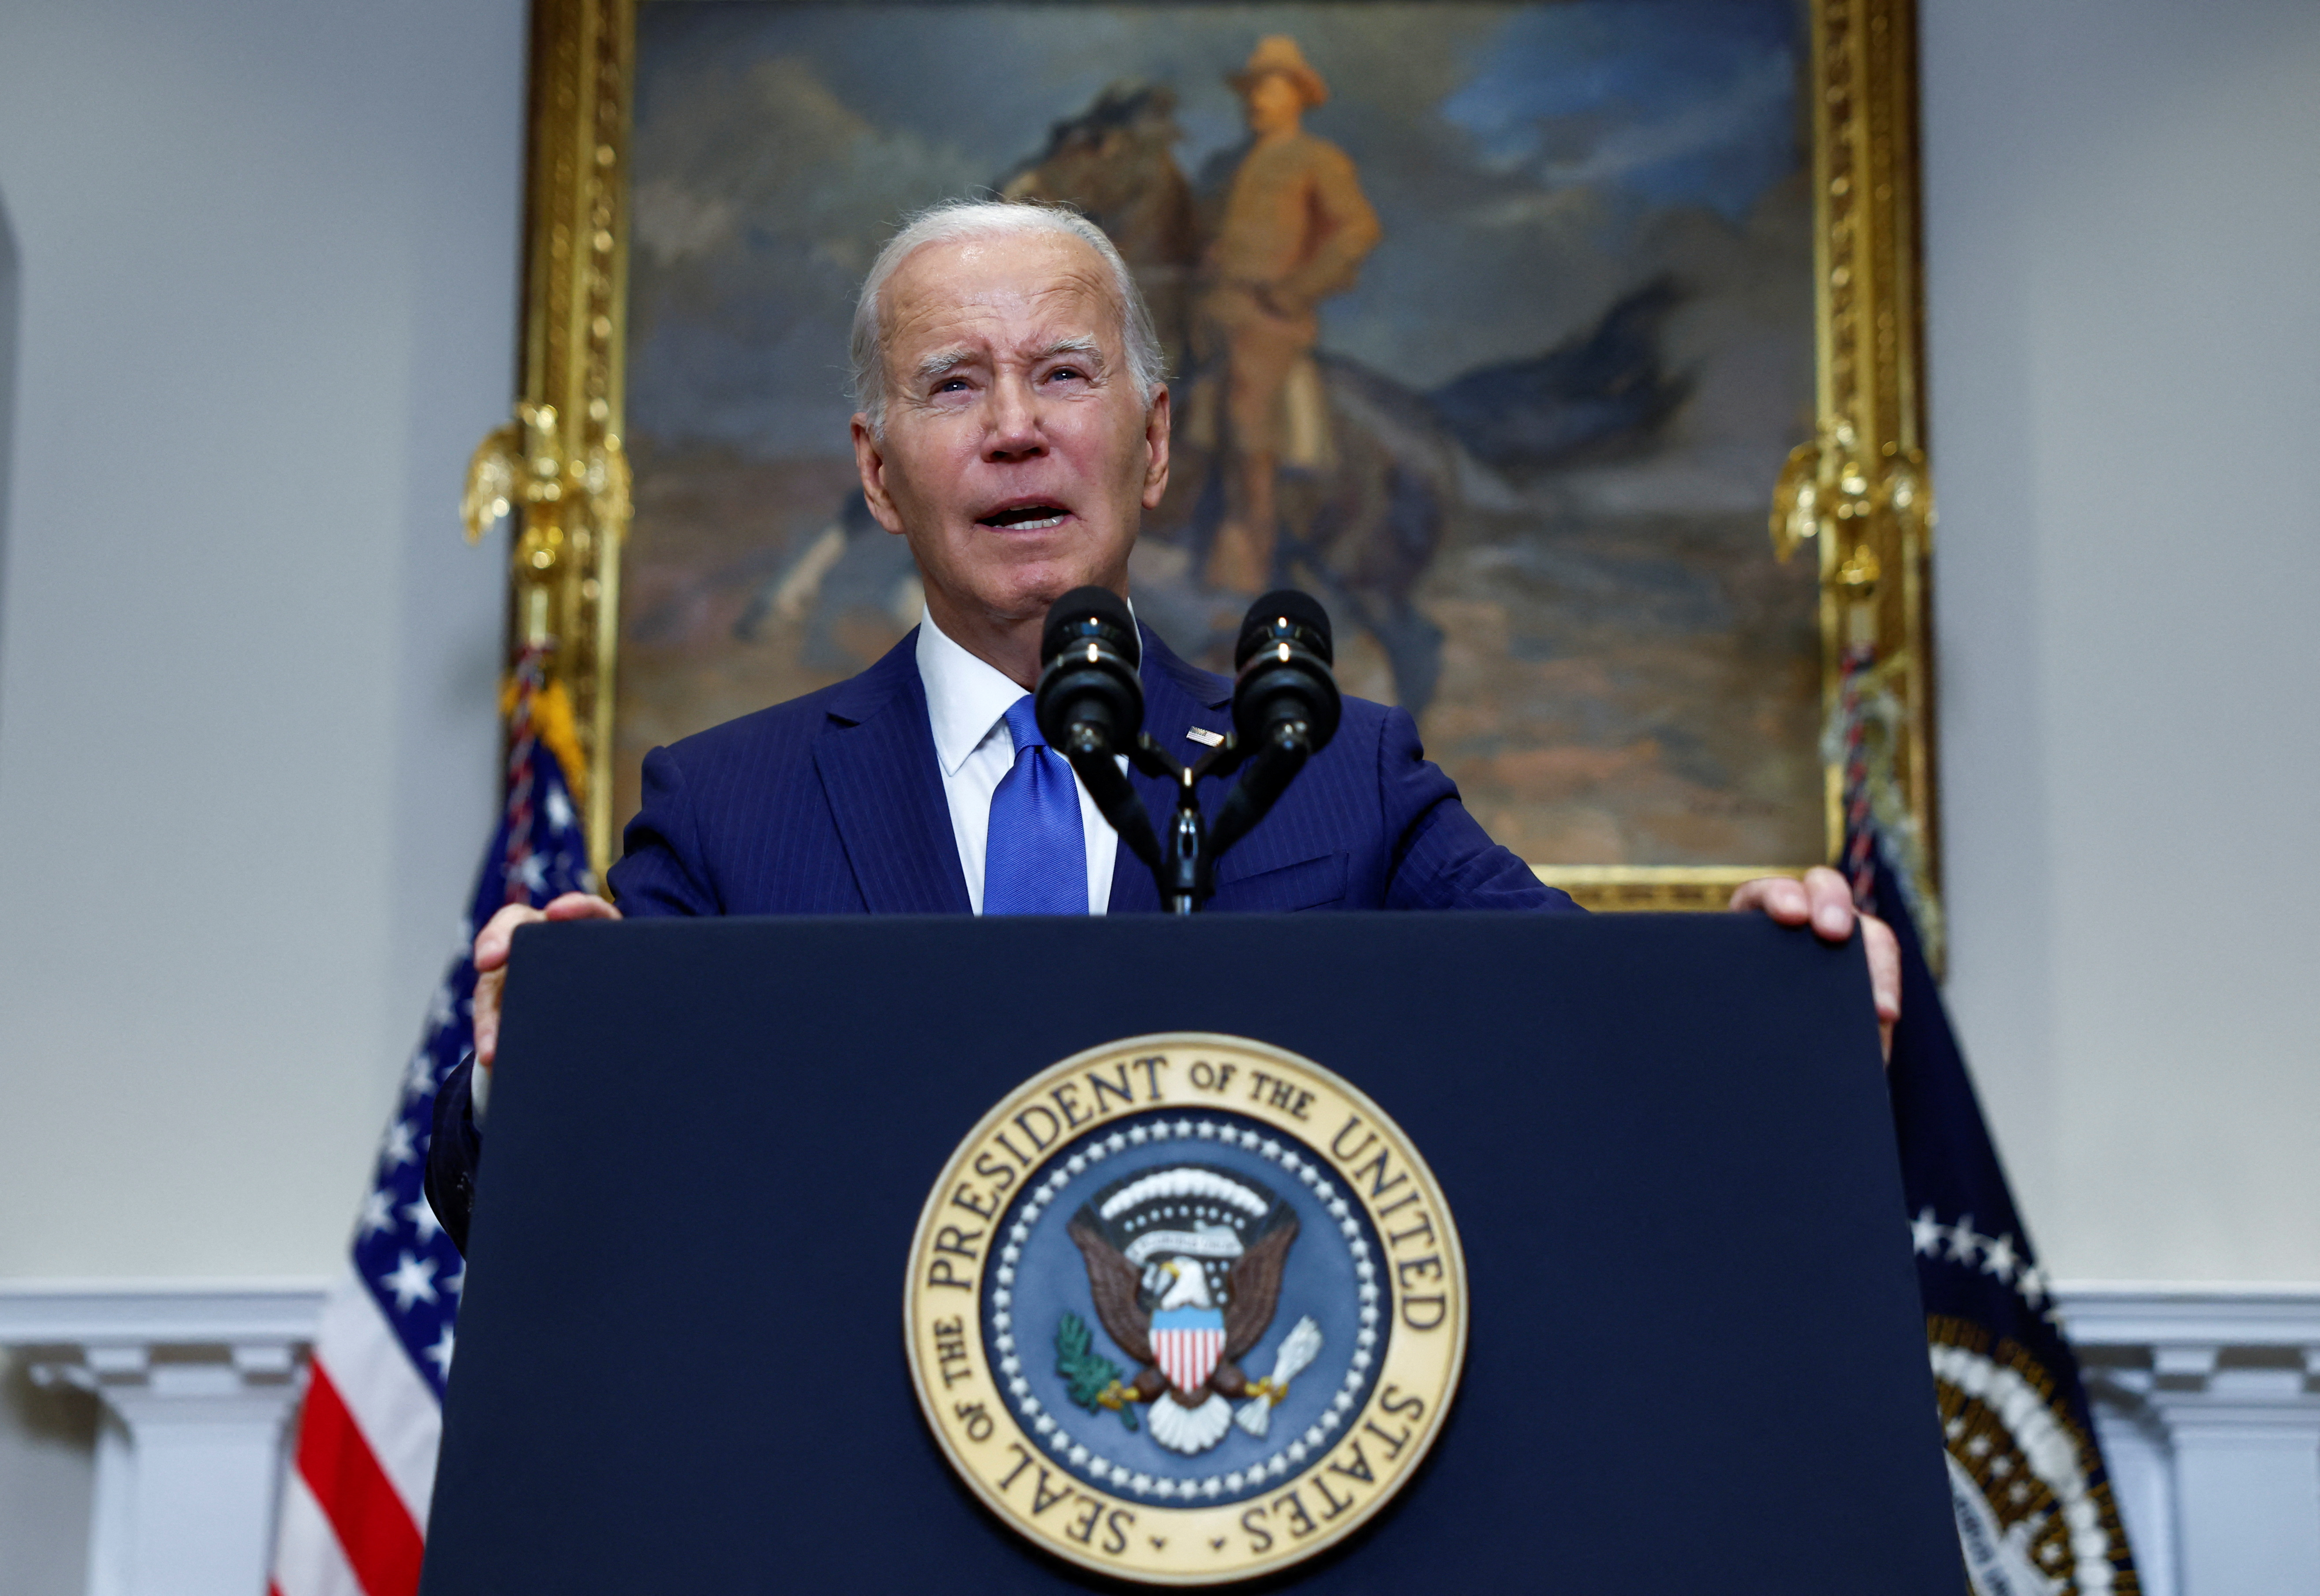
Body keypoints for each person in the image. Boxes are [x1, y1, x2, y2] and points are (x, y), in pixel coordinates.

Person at [426, 199, 1896, 1249]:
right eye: (953, 384)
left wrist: (1778, 999)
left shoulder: (1340, 775)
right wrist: (524, 1063)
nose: (1015, 425)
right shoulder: (728, 808)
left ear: (1157, 440)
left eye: (1064, 373)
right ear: (878, 477)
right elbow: (526, 1197)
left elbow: (1597, 1050)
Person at [1195, 37, 1382, 593]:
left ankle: (1249, 564)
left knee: (1246, 415)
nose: (1257, 99)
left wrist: (1298, 288)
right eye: (1253, 89)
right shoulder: (1230, 167)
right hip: (1212, 311)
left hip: (1268, 320)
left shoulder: (1317, 160)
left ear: (1298, 95)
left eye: (1271, 87)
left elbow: (1358, 230)